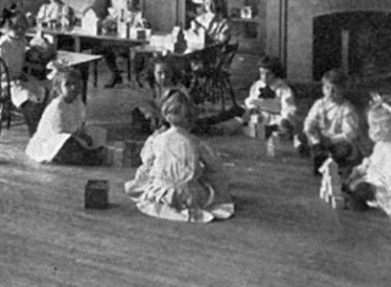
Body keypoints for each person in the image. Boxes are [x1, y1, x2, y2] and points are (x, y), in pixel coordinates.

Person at [124, 90, 234, 223]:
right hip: (189, 195)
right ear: (190, 118)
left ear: (166, 115)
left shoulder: (157, 139)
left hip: (163, 194)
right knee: (210, 176)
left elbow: (146, 159)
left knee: (147, 168)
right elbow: (215, 165)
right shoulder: (195, 141)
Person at [330, 93, 391, 220]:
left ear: (385, 128)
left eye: (374, 126)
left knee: (363, 188)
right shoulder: (381, 144)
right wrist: (361, 169)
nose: (371, 130)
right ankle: (348, 192)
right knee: (349, 175)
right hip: (376, 180)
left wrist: (370, 179)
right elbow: (372, 161)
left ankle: (356, 199)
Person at [25, 67, 106, 164]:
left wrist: (83, 134)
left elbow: (80, 121)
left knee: (97, 132)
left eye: (75, 83)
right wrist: (80, 135)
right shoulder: (58, 106)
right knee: (66, 142)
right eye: (67, 84)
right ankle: (81, 156)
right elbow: (59, 129)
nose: (73, 87)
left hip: (74, 133)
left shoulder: (78, 102)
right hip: (53, 139)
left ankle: (85, 153)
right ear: (59, 89)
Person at [0, 9, 49, 134]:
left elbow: (19, 57)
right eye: (16, 28)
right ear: (8, 27)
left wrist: (32, 53)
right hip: (2, 84)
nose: (20, 31)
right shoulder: (2, 46)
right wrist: (15, 78)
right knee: (28, 98)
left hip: (17, 78)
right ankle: (34, 129)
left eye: (23, 28)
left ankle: (39, 126)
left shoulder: (21, 41)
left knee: (43, 90)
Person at [300, 68, 362, 175]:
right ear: (323, 88)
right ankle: (319, 153)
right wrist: (309, 127)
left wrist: (332, 140)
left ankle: (330, 160)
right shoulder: (319, 104)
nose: (330, 92)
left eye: (334, 89)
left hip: (337, 141)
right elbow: (311, 119)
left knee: (344, 149)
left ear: (342, 90)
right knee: (302, 137)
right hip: (321, 139)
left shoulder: (346, 108)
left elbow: (350, 133)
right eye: (327, 88)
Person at [99, 0, 148, 89]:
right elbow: (107, 22)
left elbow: (145, 27)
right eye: (124, 0)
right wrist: (108, 23)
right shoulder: (120, 12)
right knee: (105, 48)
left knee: (138, 53)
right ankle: (115, 73)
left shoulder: (139, 14)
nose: (127, 2)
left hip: (133, 44)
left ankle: (135, 76)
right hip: (120, 43)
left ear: (137, 1)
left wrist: (144, 25)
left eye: (130, 0)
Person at [243, 56, 298, 149]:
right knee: (240, 113)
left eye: (268, 74)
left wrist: (286, 118)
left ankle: (274, 133)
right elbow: (251, 100)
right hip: (261, 115)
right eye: (261, 73)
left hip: (276, 116)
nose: (264, 77)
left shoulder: (283, 89)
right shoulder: (257, 85)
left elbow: (288, 107)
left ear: (275, 73)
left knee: (281, 127)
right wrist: (253, 109)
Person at [132, 56, 188, 135]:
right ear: (153, 73)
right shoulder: (149, 89)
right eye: (159, 73)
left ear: (173, 72)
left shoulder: (179, 90)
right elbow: (144, 106)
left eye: (167, 73)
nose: (163, 77)